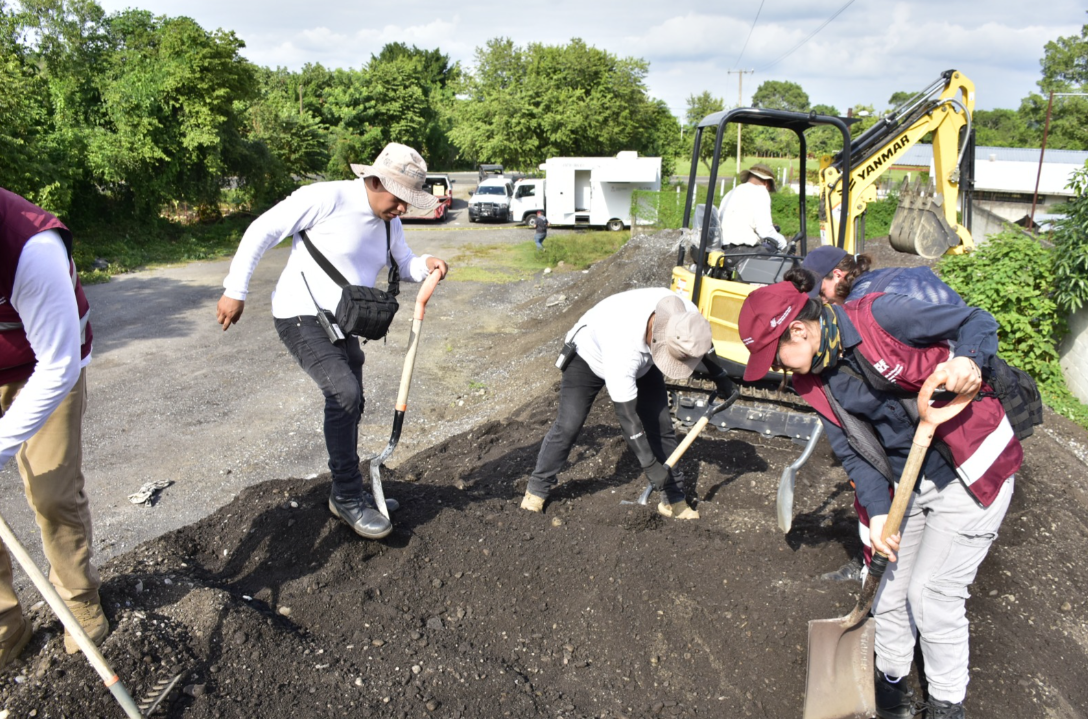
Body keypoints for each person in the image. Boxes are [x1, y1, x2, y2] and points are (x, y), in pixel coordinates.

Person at [738, 269, 1021, 719]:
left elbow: (977, 320)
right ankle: (892, 695)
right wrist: (878, 514)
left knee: (931, 594)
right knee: (887, 590)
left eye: (778, 358)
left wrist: (968, 361)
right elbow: (854, 454)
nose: (780, 370)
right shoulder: (812, 381)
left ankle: (948, 706)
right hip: (906, 480)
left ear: (798, 330)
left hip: (970, 468)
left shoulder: (882, 317)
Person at [216, 143, 449, 541]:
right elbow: (262, 230)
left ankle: (350, 489)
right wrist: (235, 289)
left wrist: (425, 263)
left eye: (409, 203)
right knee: (344, 393)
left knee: (352, 399)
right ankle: (345, 495)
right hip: (299, 314)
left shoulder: (390, 222)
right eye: (399, 199)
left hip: (342, 323)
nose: (402, 209)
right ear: (374, 181)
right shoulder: (326, 197)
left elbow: (404, 262)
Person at [0, 188, 107, 665]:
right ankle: (6, 623)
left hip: (43, 364)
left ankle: (78, 601)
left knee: (53, 492)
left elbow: (58, 364)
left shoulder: (29, 246)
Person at [521, 288, 735, 519]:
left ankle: (673, 498)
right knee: (569, 425)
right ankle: (537, 490)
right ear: (657, 338)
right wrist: (650, 465)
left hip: (642, 359)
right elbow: (628, 418)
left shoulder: (685, 316)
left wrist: (720, 375)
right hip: (587, 358)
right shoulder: (622, 348)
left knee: (662, 425)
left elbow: (703, 342)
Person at [802, 245, 964, 307]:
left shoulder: (861, 304)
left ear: (837, 275)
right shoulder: (885, 274)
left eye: (822, 292)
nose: (823, 299)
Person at [716, 163, 787, 253]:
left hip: (725, 249)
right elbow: (765, 231)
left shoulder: (731, 193)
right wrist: (784, 244)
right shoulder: (761, 192)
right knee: (783, 261)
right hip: (744, 252)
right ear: (766, 183)